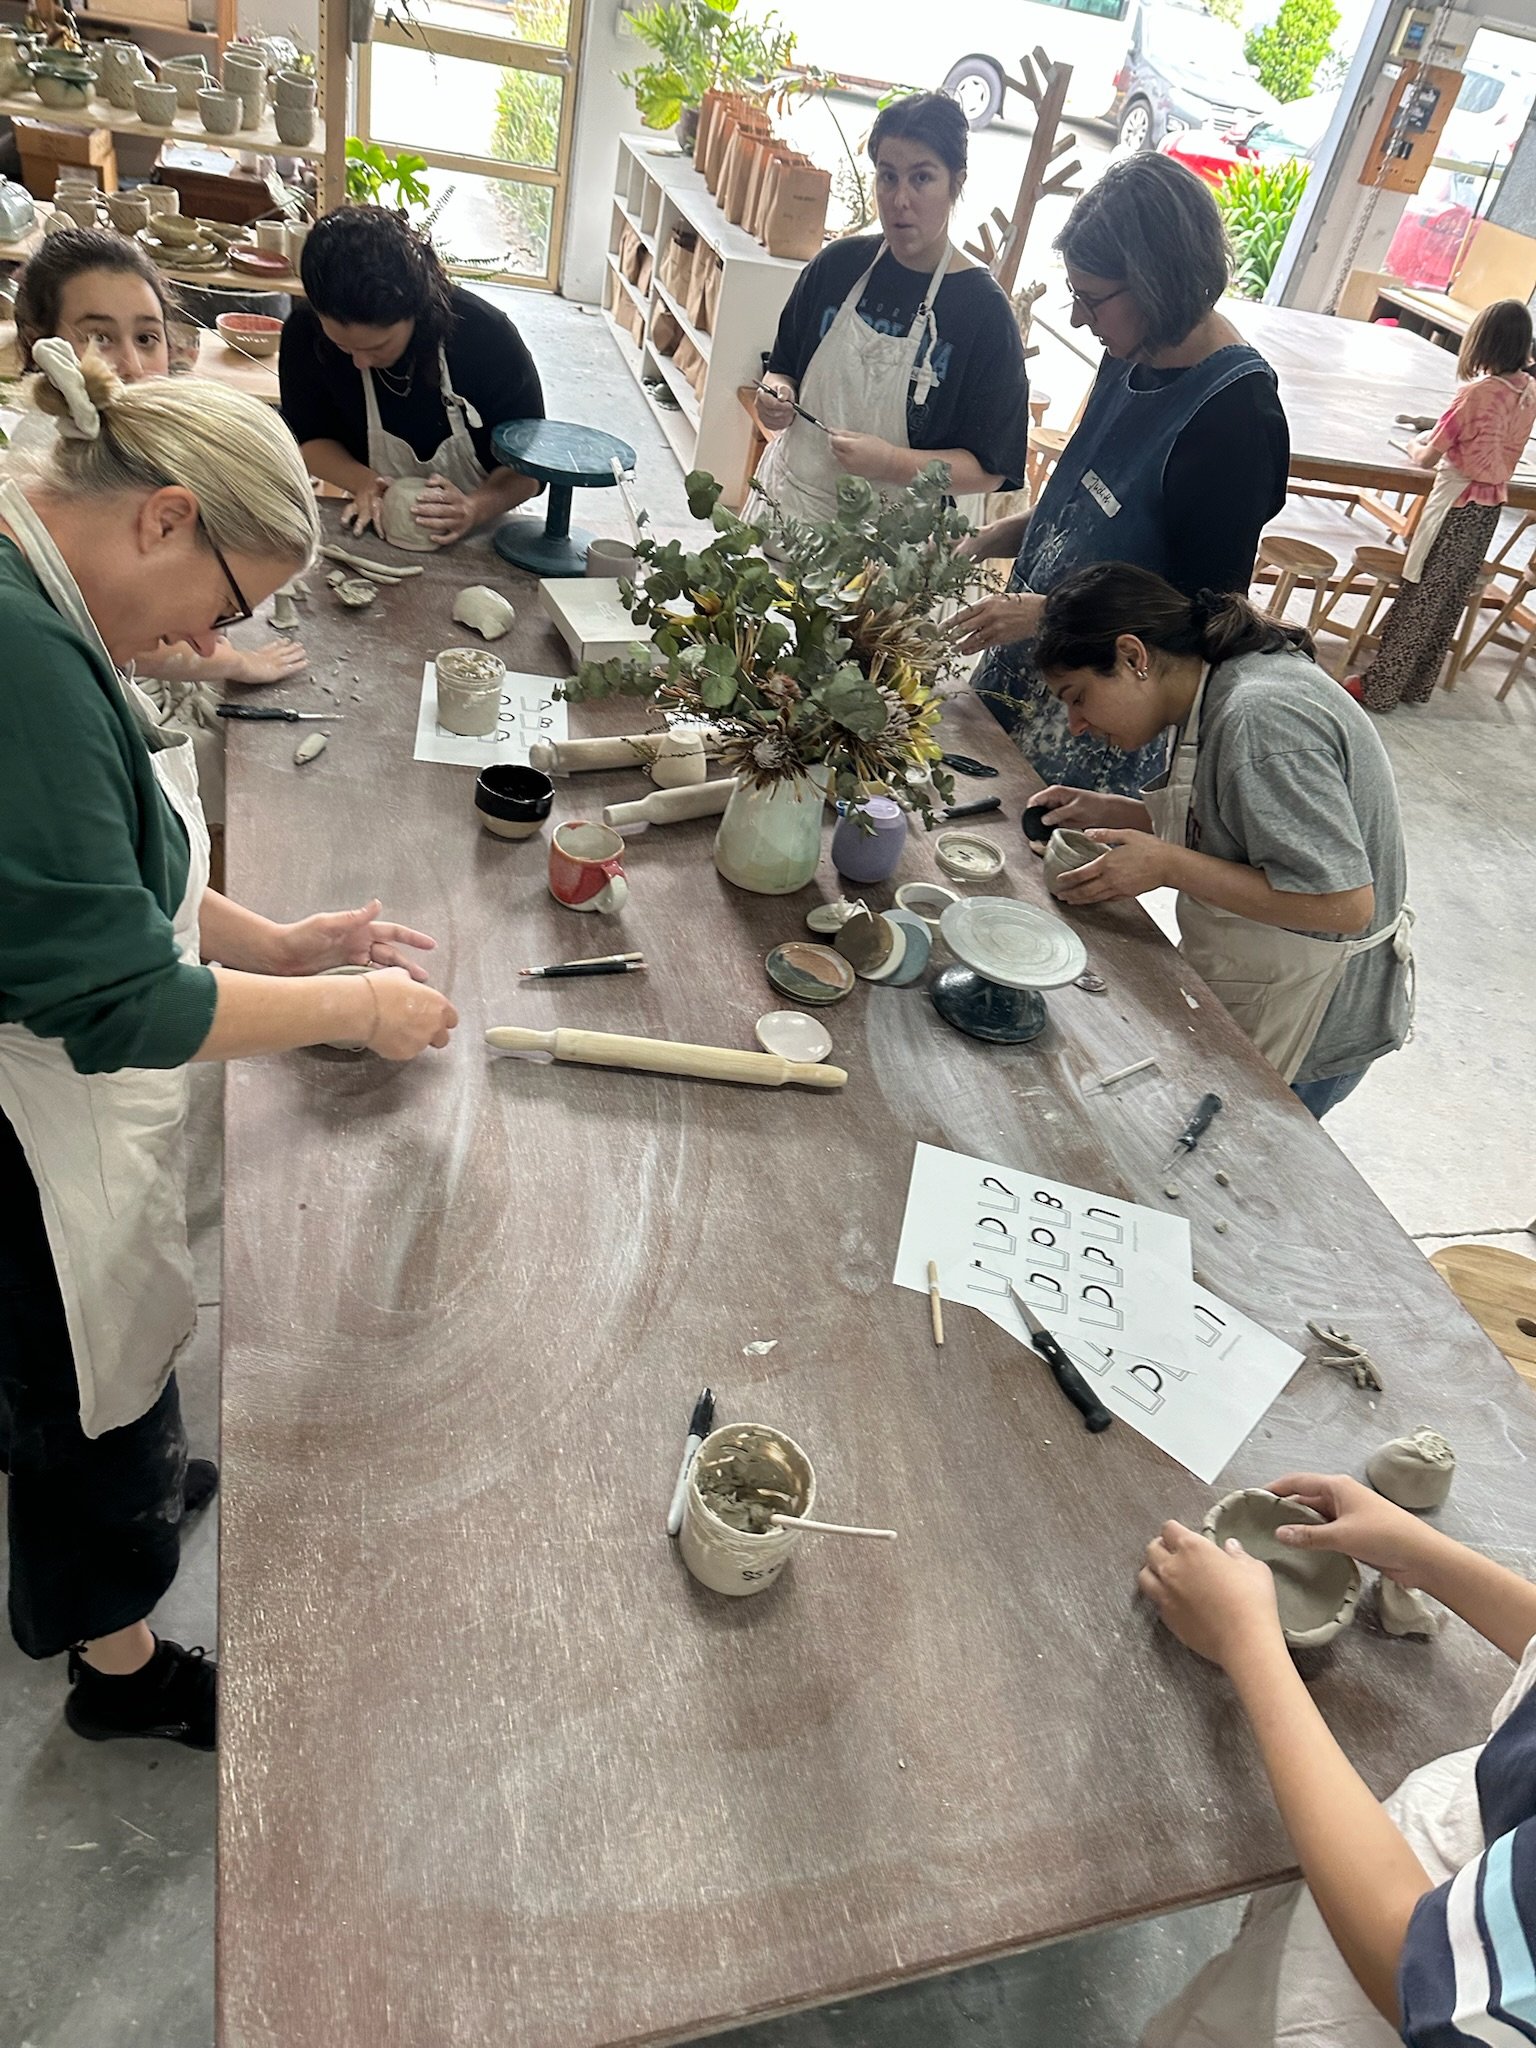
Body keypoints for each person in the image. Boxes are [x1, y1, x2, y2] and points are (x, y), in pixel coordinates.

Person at [0, 344, 459, 1750]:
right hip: (33, 1123)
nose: (212, 643)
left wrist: (280, 941)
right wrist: (352, 1012)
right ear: (164, 516)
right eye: (225, 603)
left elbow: (102, 880)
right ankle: (117, 1668)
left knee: (124, 1366)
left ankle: (138, 1463)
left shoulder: (52, 602)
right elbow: (122, 996)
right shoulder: (22, 663)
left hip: (73, 1082)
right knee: (79, 1391)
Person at [1138, 1475, 1536, 2048]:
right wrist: (1425, 1557)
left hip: (1392, 1994)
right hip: (1481, 1835)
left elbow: (1425, 1968)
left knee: (1237, 2018)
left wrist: (1247, 1642)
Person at [955, 154, 1289, 797]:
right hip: (1027, 670)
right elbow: (1088, 513)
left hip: (1100, 721)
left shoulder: (1236, 417)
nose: (1080, 319)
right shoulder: (1130, 351)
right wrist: (984, 541)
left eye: (1092, 299)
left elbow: (1207, 617)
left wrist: (1050, 614)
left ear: (1157, 283)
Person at [1028, 563, 1413, 1117]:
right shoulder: (1211, 684)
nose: (1076, 724)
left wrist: (1168, 866)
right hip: (1272, 975)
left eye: (1078, 696)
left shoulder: (1260, 716)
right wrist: (1121, 813)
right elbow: (1250, 822)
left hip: (1315, 1012)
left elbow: (1344, 904)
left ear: (1134, 657)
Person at [10, 228, 307, 692]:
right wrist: (237, 662)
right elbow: (125, 627)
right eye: (99, 337)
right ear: (37, 345)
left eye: (147, 337)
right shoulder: (51, 453)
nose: (130, 363)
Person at [752, 90, 1030, 527]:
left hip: (888, 555)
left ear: (956, 181)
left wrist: (891, 463)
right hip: (790, 513)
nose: (900, 199)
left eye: (921, 178)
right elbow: (782, 368)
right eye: (888, 176)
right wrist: (776, 395)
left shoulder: (983, 312)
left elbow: (991, 470)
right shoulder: (837, 266)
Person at [279, 206, 545, 545]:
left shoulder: (485, 337)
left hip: (482, 527)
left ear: (416, 310)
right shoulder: (306, 335)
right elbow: (309, 438)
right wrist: (364, 482)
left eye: (377, 346)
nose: (359, 361)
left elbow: (529, 469)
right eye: (343, 346)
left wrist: (474, 507)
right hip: (378, 522)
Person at [1354, 298, 1536, 713]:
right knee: (1448, 599)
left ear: (1484, 341)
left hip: (1456, 502)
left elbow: (1428, 458)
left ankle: (1379, 687)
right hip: (1489, 509)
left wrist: (1417, 441)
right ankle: (1417, 685)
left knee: (1420, 594)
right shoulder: (1528, 391)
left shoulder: (1476, 394)